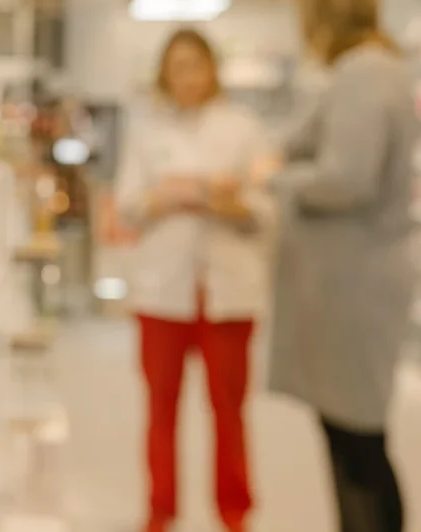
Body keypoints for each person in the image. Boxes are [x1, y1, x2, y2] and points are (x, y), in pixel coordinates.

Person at [263, 0, 416, 532]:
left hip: (356, 288)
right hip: (352, 283)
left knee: (357, 443)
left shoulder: (366, 74)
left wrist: (272, 178)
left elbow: (346, 177)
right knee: (349, 437)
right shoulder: (372, 70)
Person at [116, 28, 275, 532]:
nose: (187, 77)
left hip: (227, 293)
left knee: (229, 411)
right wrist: (165, 198)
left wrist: (214, 197)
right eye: (177, 67)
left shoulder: (244, 128)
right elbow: (127, 205)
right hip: (162, 293)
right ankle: (160, 509)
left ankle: (234, 512)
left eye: (196, 65)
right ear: (165, 73)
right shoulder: (147, 131)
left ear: (213, 68)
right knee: (161, 409)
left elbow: (265, 208)